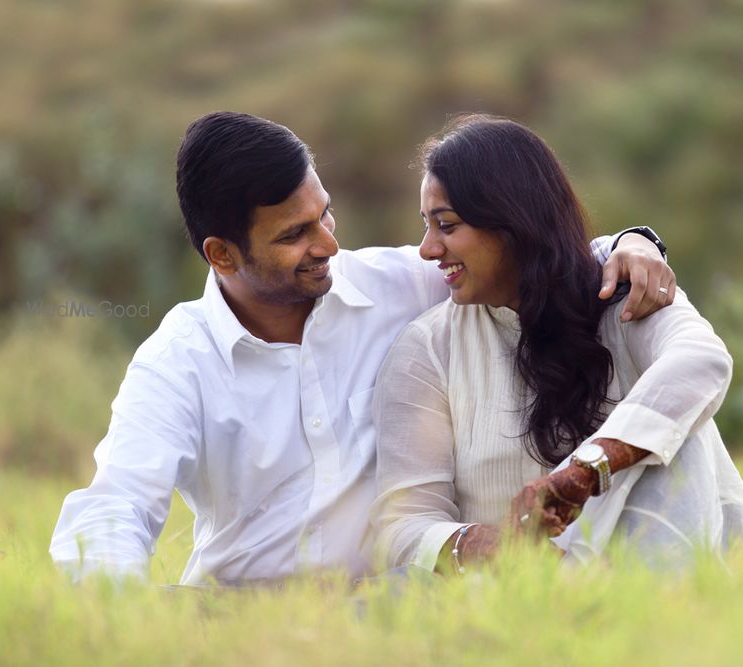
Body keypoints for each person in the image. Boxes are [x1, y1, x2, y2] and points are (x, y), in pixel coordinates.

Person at [48, 111, 675, 585]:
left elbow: (522, 258)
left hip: (403, 613)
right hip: (242, 616)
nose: (325, 243)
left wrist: (633, 241)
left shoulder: (398, 285)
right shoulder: (178, 362)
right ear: (222, 254)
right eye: (295, 234)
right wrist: (117, 611)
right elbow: (117, 505)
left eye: (325, 215)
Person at [370, 115, 743, 575]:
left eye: (446, 225)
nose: (427, 249)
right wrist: (489, 544)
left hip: (674, 570)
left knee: (675, 427)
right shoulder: (429, 349)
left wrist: (585, 472)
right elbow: (402, 524)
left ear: (512, 221)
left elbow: (701, 362)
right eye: (426, 225)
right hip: (535, 585)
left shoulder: (621, 291)